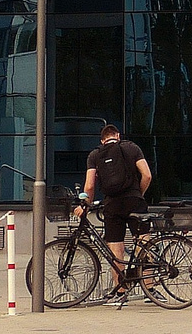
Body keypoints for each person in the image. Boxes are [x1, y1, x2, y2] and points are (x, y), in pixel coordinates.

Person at [79, 124, 152, 290]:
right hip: (135, 201)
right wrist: (138, 193)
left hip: (112, 204)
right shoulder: (132, 148)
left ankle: (120, 290)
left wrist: (86, 205)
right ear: (117, 136)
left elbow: (89, 186)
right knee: (143, 243)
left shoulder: (95, 155)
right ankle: (150, 289)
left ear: (102, 139)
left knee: (115, 248)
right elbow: (147, 175)